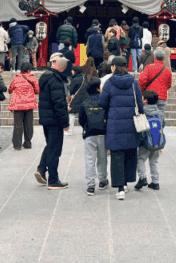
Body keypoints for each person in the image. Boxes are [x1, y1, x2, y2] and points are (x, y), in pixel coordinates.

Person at [99, 56, 145, 200]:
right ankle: (125, 183)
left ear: (114, 67)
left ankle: (120, 189)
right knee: (130, 153)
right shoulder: (133, 83)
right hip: (131, 123)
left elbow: (102, 102)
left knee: (117, 154)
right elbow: (140, 105)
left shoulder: (109, 83)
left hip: (114, 123)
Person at [35, 53, 71, 189]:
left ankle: (42, 169)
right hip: (55, 119)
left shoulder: (45, 77)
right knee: (54, 150)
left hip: (46, 117)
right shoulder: (55, 79)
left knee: (50, 146)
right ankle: (53, 180)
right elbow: (59, 103)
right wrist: (65, 122)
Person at [78, 77, 109, 195]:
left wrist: (86, 127)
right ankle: (102, 180)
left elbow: (81, 120)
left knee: (90, 159)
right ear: (98, 88)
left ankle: (90, 185)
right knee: (102, 158)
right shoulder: (104, 101)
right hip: (103, 133)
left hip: (89, 134)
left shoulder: (84, 102)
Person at [134, 89, 163, 191]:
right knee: (154, 161)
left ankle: (142, 177)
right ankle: (155, 182)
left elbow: (139, 127)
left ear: (145, 101)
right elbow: (162, 125)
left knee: (140, 159)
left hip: (145, 141)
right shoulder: (160, 113)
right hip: (157, 140)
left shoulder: (142, 112)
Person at [8, 61, 40, 150]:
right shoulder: (33, 78)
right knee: (29, 124)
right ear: (29, 70)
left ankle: (17, 145)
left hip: (17, 105)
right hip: (29, 105)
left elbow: (10, 90)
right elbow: (37, 91)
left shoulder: (15, 78)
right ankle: (28, 143)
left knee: (18, 125)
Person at [138, 48, 172, 116]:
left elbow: (142, 80)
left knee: (148, 116)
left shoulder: (148, 67)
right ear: (163, 58)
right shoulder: (167, 70)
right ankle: (160, 126)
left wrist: (142, 91)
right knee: (160, 116)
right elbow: (169, 85)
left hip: (149, 96)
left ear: (154, 57)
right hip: (162, 96)